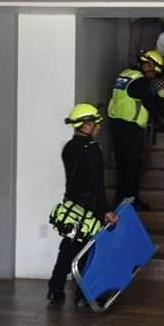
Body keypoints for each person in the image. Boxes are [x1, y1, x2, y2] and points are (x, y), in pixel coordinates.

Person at [48, 104, 117, 306]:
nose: (99, 127)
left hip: (71, 206)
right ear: (87, 125)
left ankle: (55, 289)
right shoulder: (93, 149)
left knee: (67, 248)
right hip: (89, 208)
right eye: (96, 123)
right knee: (88, 252)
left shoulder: (68, 147)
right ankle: (84, 295)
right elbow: (97, 184)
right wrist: (106, 211)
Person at [107, 50, 164, 211]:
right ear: (148, 65)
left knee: (122, 165)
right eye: (154, 71)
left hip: (117, 124)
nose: (154, 75)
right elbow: (151, 104)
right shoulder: (140, 81)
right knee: (132, 166)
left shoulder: (125, 74)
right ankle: (131, 201)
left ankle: (120, 199)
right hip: (130, 128)